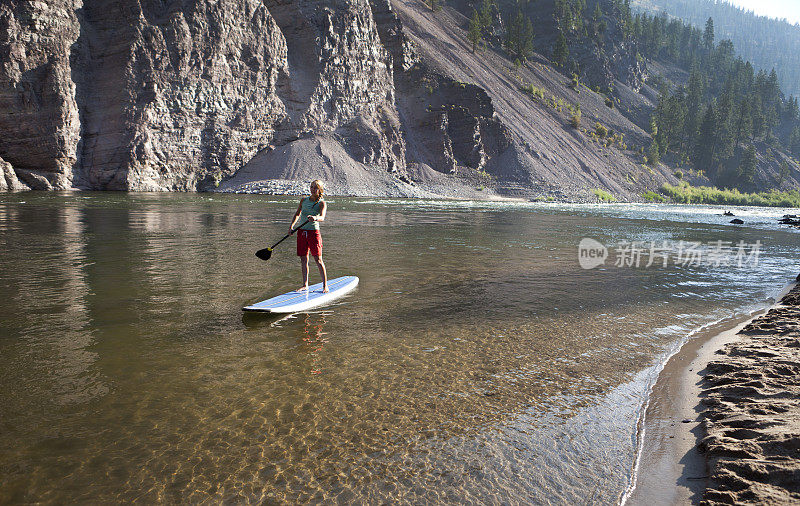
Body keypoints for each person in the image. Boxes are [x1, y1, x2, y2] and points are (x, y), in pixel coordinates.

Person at [290, 180, 328, 293]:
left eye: (315, 188)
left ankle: (325, 285)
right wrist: (291, 227)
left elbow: (322, 217)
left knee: (318, 259)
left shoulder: (322, 203)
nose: (312, 189)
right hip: (301, 232)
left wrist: (315, 218)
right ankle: (305, 285)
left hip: (313, 233)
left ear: (320, 190)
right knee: (303, 259)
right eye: (311, 187)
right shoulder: (304, 200)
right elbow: (297, 214)